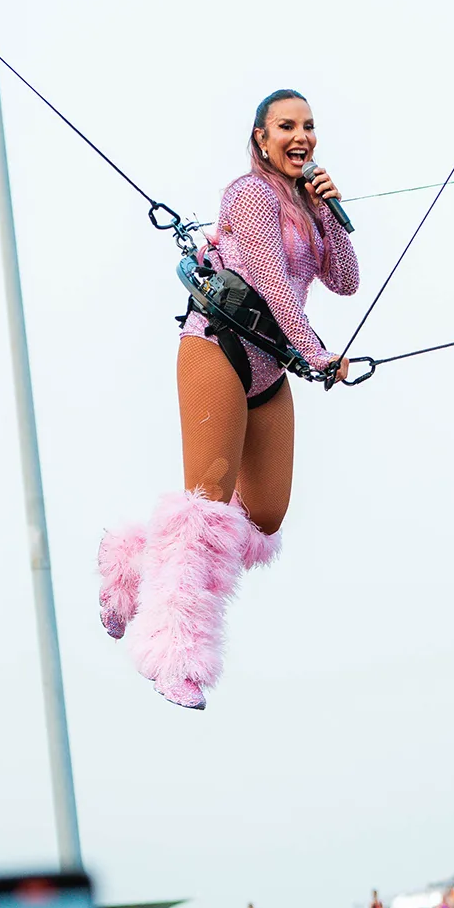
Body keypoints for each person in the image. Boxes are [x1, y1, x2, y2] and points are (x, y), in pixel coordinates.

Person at [97, 88, 360, 710]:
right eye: (287, 127)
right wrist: (319, 354)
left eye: (309, 126)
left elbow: (345, 280)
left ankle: (132, 564)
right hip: (218, 349)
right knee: (206, 510)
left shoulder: (304, 203)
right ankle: (173, 656)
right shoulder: (246, 196)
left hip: (271, 370)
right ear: (261, 138)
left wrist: (329, 211)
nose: (302, 137)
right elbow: (269, 283)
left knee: (263, 516)